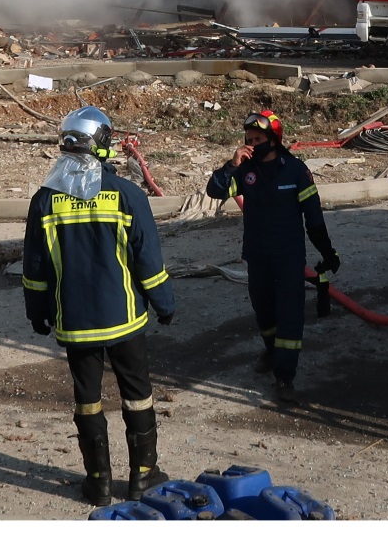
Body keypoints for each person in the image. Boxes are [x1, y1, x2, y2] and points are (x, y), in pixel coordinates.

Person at [23, 106, 176, 507]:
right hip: (124, 318)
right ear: (103, 145)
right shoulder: (127, 195)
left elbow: (36, 266)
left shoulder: (44, 200)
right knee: (137, 394)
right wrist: (164, 303)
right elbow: (148, 259)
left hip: (75, 322)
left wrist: (36, 310)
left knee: (87, 398)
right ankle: (144, 476)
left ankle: (98, 482)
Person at [204, 110, 338, 403]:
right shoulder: (244, 170)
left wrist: (328, 253)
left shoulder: (295, 170)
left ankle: (284, 377)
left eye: (258, 139)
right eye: (248, 139)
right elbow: (214, 190)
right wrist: (231, 164)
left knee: (289, 316)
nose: (252, 144)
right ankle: (271, 349)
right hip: (257, 256)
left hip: (289, 257)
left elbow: (314, 218)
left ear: (274, 140)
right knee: (264, 311)